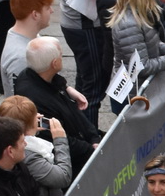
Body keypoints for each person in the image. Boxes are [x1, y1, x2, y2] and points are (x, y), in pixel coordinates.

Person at [14, 35, 102, 171]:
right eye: (61, 55)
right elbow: (60, 138)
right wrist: (91, 149)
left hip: (84, 139)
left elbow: (57, 83)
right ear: (54, 63)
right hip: (76, 161)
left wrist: (67, 88)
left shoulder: (32, 75)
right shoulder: (37, 101)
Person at [0, 94, 73, 196]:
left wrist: (31, 129)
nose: (39, 116)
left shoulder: (3, 140)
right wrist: (60, 139)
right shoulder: (30, 156)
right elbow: (63, 177)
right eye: (35, 115)